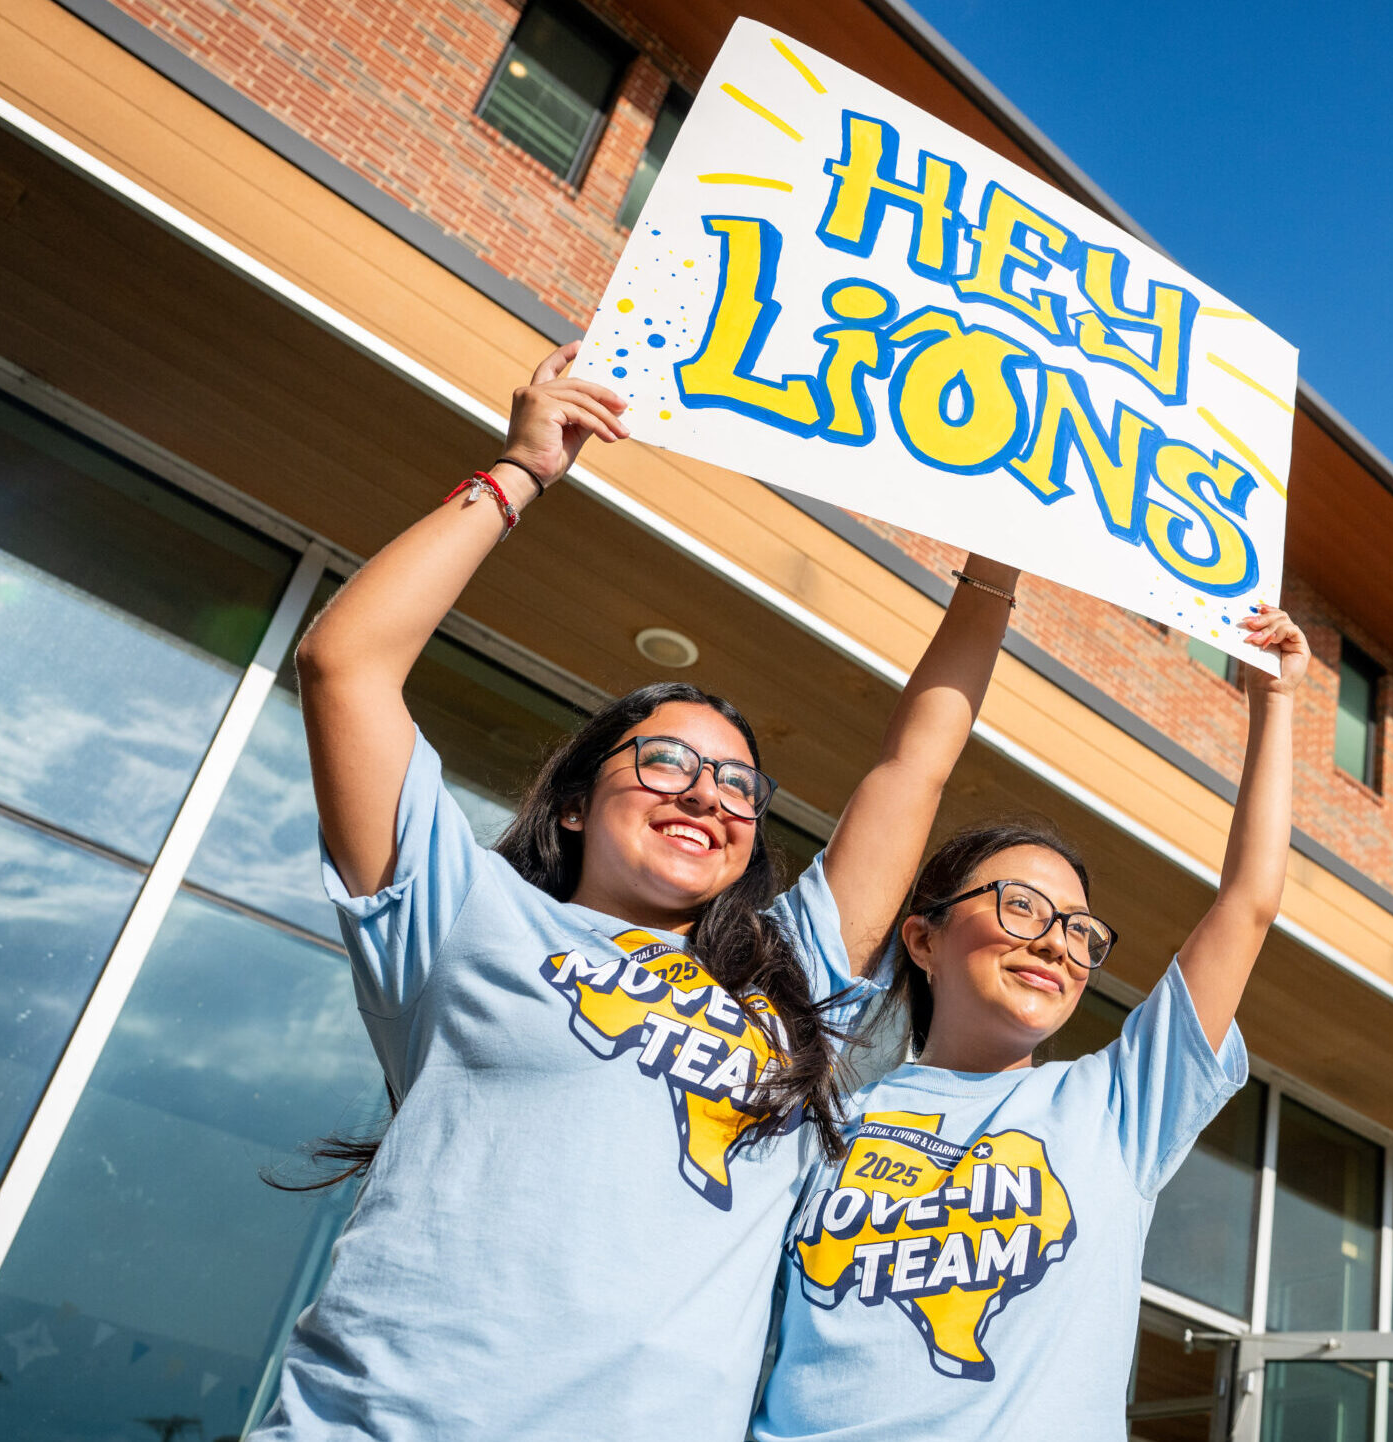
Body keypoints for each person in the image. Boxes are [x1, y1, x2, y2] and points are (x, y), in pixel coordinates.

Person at [254, 342, 1020, 1439]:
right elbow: (346, 664)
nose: (707, 794)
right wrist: (518, 472)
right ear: (573, 802)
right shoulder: (464, 912)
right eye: (665, 763)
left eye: (739, 784)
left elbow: (915, 765)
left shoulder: (790, 982)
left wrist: (993, 575)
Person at [751, 604, 1307, 1439]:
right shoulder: (826, 1112)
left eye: (1080, 930)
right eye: (1021, 907)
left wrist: (1275, 703)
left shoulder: (1119, 1107)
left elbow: (1248, 903)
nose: (1056, 942)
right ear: (923, 938)